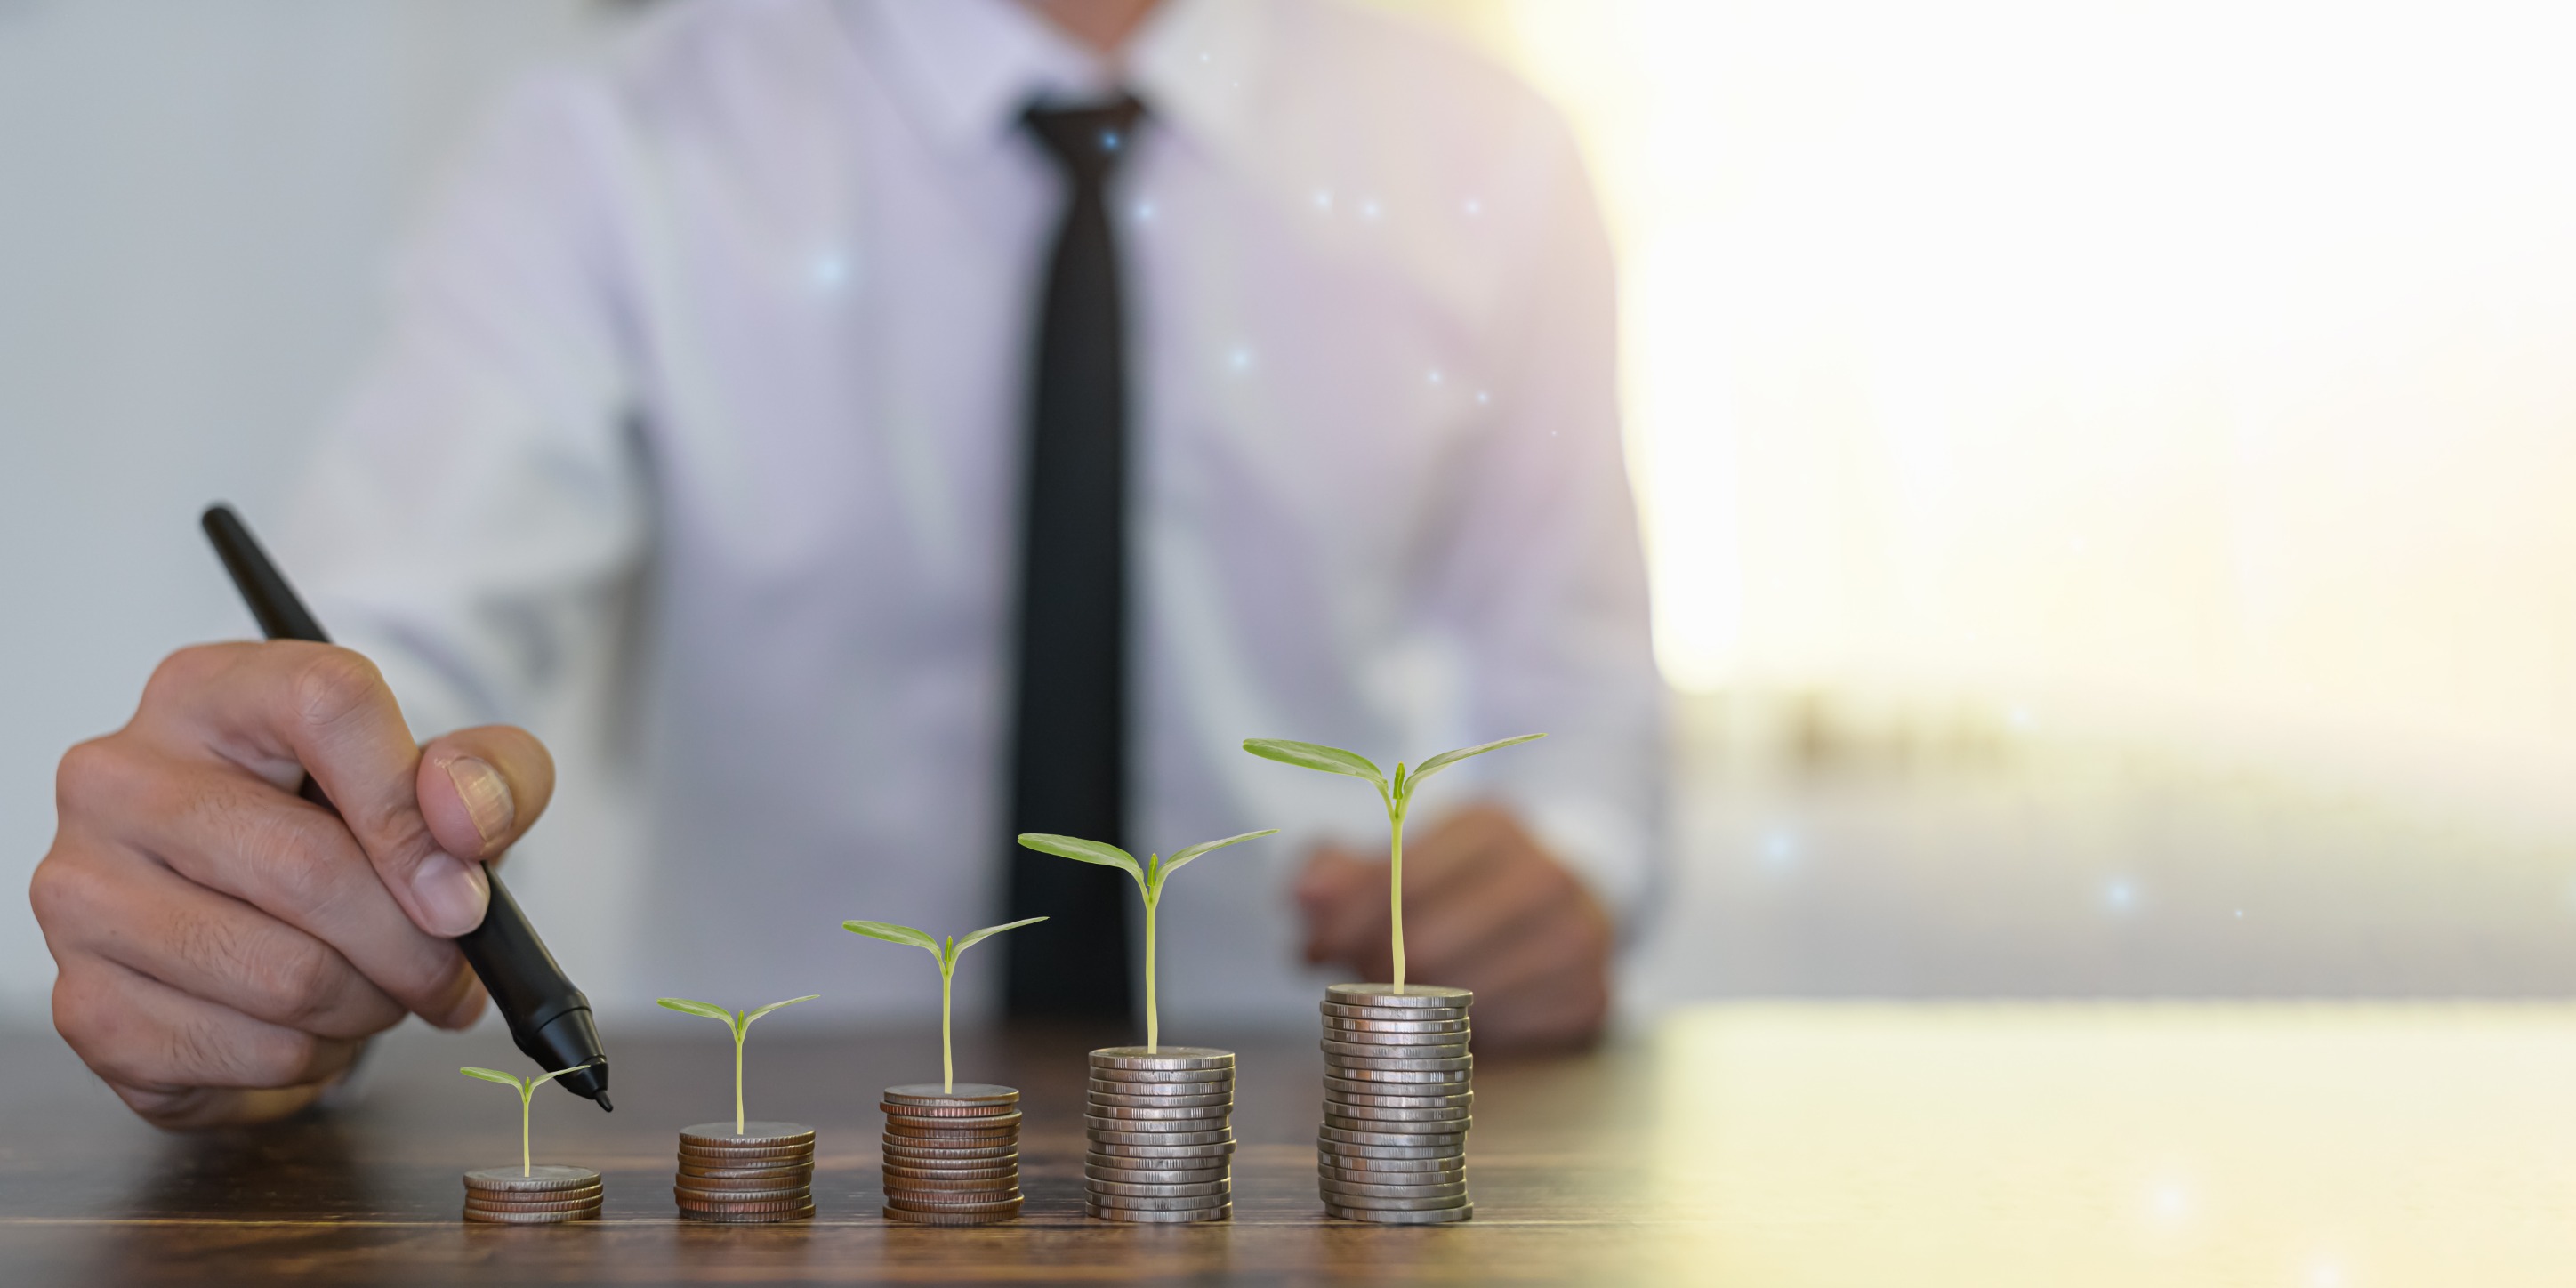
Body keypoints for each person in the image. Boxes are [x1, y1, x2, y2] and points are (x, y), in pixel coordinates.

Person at [32, 0, 1662, 1129]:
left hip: (1317, 1147)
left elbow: (1578, 699)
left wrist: (1566, 874)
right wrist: (275, 864)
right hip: (774, 1153)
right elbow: (387, 666)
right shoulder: (611, 145)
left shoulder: (1492, 158)